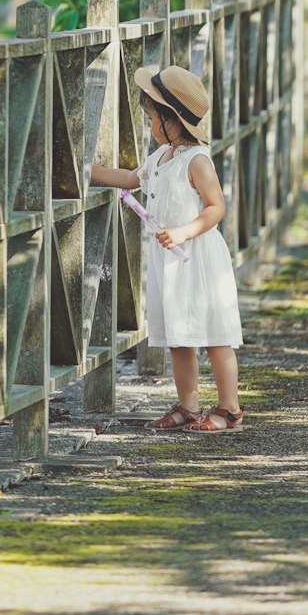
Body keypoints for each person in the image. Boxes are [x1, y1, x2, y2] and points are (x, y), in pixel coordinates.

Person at [90, 63, 245, 433]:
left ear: (172, 119)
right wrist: (85, 171)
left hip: (199, 258)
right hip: (171, 263)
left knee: (216, 336)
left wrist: (183, 231)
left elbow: (216, 207)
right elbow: (131, 179)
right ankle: (188, 406)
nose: (148, 124)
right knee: (179, 335)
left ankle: (229, 409)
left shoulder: (196, 160)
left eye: (151, 117)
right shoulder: (162, 156)